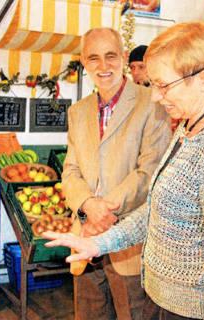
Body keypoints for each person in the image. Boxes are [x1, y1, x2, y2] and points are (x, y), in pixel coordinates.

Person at [45, 21, 204, 320]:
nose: (157, 96)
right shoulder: (191, 126)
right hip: (163, 300)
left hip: (191, 311)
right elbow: (157, 210)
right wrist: (98, 243)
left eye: (163, 85)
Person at [61, 27, 172, 320]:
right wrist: (88, 206)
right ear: (83, 62)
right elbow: (71, 171)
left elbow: (149, 172)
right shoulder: (77, 111)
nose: (103, 66)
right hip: (84, 238)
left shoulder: (153, 103)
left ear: (124, 57)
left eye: (110, 56)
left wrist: (103, 213)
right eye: (93, 58)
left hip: (130, 244)